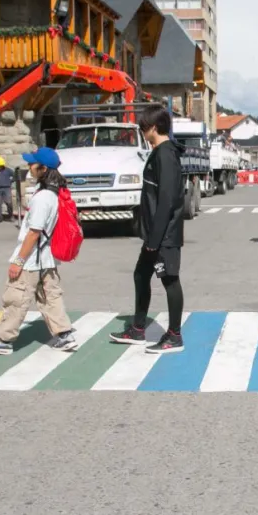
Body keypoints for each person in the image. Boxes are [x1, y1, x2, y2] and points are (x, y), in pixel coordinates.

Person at [0, 147, 76, 355]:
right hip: (47, 259)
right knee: (50, 297)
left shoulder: (42, 198)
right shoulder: (55, 194)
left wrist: (19, 261)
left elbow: (33, 233)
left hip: (32, 259)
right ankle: (64, 334)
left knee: (16, 297)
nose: (29, 167)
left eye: (32, 163)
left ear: (42, 168)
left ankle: (3, 338)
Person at [110, 105, 187, 354]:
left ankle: (174, 335)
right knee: (141, 275)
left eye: (144, 126)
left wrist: (155, 239)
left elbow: (166, 200)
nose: (142, 131)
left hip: (163, 235)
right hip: (154, 233)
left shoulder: (165, 154)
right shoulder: (160, 152)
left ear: (155, 127)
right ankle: (138, 329)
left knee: (170, 280)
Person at [0, 157, 15, 224]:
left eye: (1, 165)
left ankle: (11, 216)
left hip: (7, 188)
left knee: (9, 203)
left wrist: (11, 181)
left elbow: (15, 175)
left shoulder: (8, 170)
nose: (0, 166)